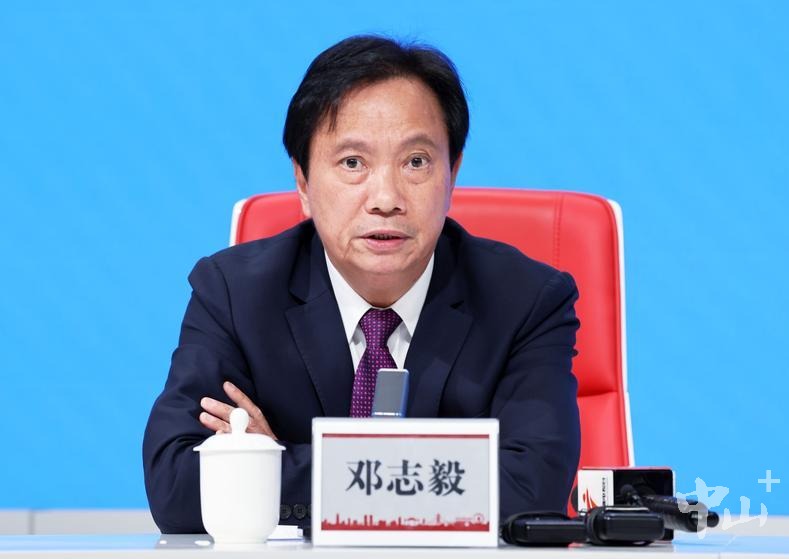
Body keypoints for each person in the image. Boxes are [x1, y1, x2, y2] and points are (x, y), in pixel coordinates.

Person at [143, 35, 580, 533]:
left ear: (452, 174)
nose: (386, 198)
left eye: (416, 162)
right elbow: (177, 487)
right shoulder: (234, 294)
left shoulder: (526, 302)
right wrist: (430, 476)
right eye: (353, 163)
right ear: (304, 183)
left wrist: (272, 462)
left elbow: (531, 492)